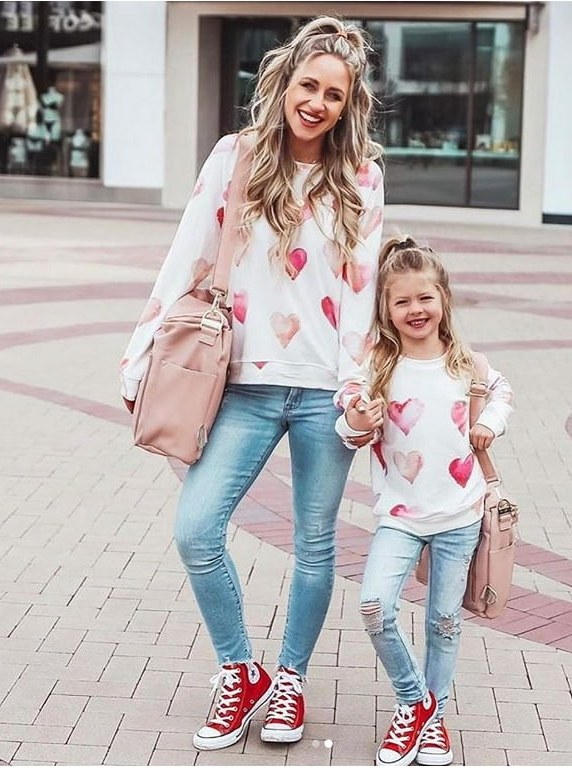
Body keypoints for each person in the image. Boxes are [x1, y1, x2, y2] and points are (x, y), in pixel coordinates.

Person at [119, 15, 384, 752]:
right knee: (196, 529)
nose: (318, 103)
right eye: (309, 85)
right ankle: (243, 671)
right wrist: (140, 349)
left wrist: (360, 384)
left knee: (315, 545)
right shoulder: (235, 158)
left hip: (327, 391)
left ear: (347, 103)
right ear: (284, 82)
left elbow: (361, 289)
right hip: (243, 384)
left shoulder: (362, 175)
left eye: (335, 94)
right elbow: (187, 257)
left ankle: (291, 681)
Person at [335, 236, 514, 766]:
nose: (416, 310)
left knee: (443, 623)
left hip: (460, 516)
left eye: (425, 298)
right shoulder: (377, 367)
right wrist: (356, 423)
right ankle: (416, 703)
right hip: (400, 518)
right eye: (402, 301)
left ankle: (432, 721)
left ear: (444, 300)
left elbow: (503, 393)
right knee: (374, 606)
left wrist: (488, 421)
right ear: (386, 311)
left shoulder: (468, 366)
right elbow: (349, 422)